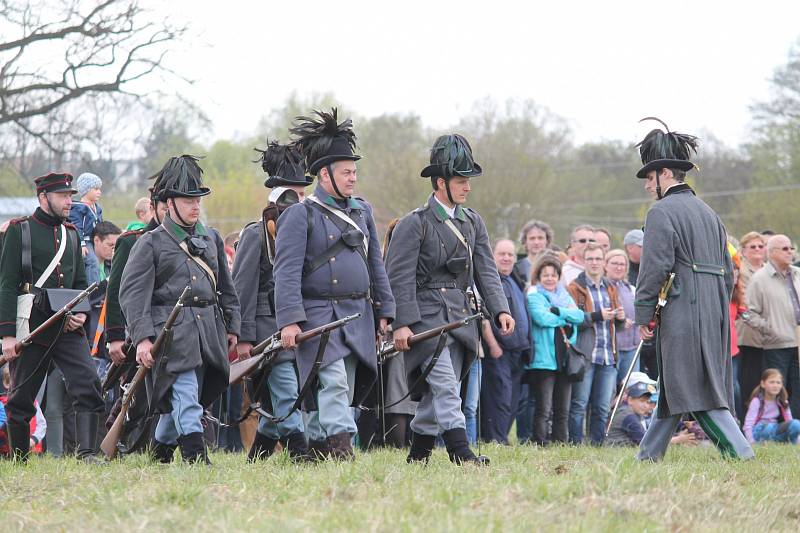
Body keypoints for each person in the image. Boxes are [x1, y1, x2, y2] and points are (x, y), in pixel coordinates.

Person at [385, 133, 513, 465]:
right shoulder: (415, 223)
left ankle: (418, 455)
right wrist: (401, 324)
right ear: (440, 182)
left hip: (461, 317)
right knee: (445, 386)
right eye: (460, 180)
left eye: (468, 180)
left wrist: (500, 309)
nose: (467, 187)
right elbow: (398, 277)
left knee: (439, 391)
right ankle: (461, 453)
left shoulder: (472, 222)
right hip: (425, 318)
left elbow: (486, 270)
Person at [275, 109, 395, 460]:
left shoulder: (363, 212)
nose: (353, 178)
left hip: (358, 312)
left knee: (341, 385)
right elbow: (286, 271)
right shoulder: (300, 214)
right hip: (318, 313)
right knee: (334, 383)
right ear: (324, 175)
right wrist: (289, 320)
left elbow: (376, 264)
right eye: (346, 172)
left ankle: (316, 448)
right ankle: (342, 448)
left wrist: (385, 310)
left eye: (355, 171)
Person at [632, 118, 754, 461]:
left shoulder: (661, 212)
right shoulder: (709, 213)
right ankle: (648, 457)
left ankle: (740, 453)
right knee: (676, 384)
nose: (646, 186)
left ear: (665, 174)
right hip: (713, 312)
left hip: (685, 312)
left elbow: (653, 268)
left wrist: (643, 313)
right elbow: (730, 271)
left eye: (649, 177)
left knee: (698, 390)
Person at [120, 155, 241, 464]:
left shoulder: (210, 237)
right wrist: (143, 338)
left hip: (208, 330)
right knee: (186, 394)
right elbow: (133, 296)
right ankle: (196, 459)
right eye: (188, 200)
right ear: (169, 204)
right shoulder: (150, 243)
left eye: (197, 199)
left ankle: (159, 453)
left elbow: (226, 288)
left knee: (191, 397)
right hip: (171, 331)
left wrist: (232, 327)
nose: (195, 206)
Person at [0, 172, 106, 463]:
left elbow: (82, 283)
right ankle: (20, 458)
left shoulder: (71, 233)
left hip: (67, 326)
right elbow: (7, 284)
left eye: (70, 195)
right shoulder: (20, 231)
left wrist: (81, 314)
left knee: (89, 385)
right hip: (33, 326)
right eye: (62, 196)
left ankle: (87, 454)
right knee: (21, 400)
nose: (68, 201)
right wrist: (8, 335)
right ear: (43, 197)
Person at [232, 141, 312, 461]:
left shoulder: (306, 229)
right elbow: (242, 289)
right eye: (296, 191)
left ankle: (257, 460)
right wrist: (244, 339)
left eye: (304, 192)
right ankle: (300, 453)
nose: (301, 198)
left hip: (297, 325)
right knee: (286, 392)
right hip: (266, 329)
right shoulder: (255, 234)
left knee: (278, 403)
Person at [103, 183, 169, 457]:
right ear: (153, 208)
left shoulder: (188, 240)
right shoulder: (132, 240)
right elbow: (117, 290)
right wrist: (115, 336)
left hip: (172, 328)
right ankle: (117, 441)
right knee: (135, 395)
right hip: (138, 329)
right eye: (164, 206)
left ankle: (156, 447)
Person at [567, 244, 624, 444]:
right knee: (579, 404)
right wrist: (598, 316)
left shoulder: (610, 287)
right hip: (585, 354)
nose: (594, 263)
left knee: (601, 406)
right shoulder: (575, 287)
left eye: (598, 259)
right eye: (590, 259)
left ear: (603, 262)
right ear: (583, 261)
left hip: (608, 355)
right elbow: (572, 320)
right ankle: (575, 443)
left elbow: (619, 325)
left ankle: (597, 444)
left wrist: (621, 318)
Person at [525, 253, 584, 445]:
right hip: (544, 360)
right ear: (538, 277)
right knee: (544, 407)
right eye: (545, 275)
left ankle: (560, 442)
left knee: (563, 408)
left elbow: (579, 316)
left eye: (553, 275)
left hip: (564, 358)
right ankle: (540, 442)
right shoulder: (534, 296)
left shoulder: (564, 296)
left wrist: (558, 311)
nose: (550, 279)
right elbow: (541, 319)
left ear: (559, 277)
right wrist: (565, 317)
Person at [742, 234, 800, 415]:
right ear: (772, 253)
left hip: (798, 342)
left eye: (791, 248)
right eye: (785, 249)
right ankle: (774, 427)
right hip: (776, 344)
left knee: (798, 387)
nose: (790, 252)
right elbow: (748, 313)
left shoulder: (797, 274)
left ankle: (796, 428)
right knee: (776, 389)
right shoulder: (760, 279)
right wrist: (770, 329)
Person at [480, 239, 530, 444]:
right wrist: (493, 345)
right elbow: (482, 315)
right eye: (502, 254)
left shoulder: (515, 280)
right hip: (498, 350)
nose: (507, 258)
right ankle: (495, 439)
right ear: (493, 256)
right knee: (499, 397)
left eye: (510, 254)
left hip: (518, 351)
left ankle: (502, 437)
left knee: (513, 399)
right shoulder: (489, 283)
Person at [736, 231, 768, 412]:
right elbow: (745, 301)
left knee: (766, 380)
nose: (757, 249)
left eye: (760, 246)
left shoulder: (769, 269)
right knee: (747, 381)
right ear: (744, 251)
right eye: (752, 246)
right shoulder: (741, 271)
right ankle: (745, 419)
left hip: (769, 337)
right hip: (747, 335)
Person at [605, 249, 640, 385]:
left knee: (630, 390)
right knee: (610, 391)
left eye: (622, 264)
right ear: (605, 265)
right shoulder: (603, 287)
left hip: (632, 348)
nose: (619, 267)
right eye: (614, 263)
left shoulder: (631, 289)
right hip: (611, 349)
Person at [743, 368, 800, 444]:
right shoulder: (757, 401)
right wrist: (751, 442)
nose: (775, 385)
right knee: (769, 427)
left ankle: (774, 442)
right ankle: (765, 441)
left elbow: (790, 422)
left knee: (796, 424)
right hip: (759, 431)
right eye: (772, 382)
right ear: (763, 384)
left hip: (775, 429)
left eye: (778, 383)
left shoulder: (783, 401)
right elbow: (748, 425)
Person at [0, 367, 47, 456]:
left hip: (33, 452)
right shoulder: (1, 404)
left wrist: (33, 440)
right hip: (7, 453)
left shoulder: (33, 403)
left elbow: (42, 425)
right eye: (14, 382)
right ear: (6, 383)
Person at [68, 172, 104, 284]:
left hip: (96, 241)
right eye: (96, 189)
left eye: (100, 189)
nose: (99, 192)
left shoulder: (97, 208)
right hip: (85, 241)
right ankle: (93, 291)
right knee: (92, 262)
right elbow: (77, 227)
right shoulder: (79, 208)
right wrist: (82, 243)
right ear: (86, 190)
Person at [513, 220, 554, 284]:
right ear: (525, 242)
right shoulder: (516, 269)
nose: (536, 242)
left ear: (547, 241)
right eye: (532, 238)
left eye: (540, 238)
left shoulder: (556, 265)